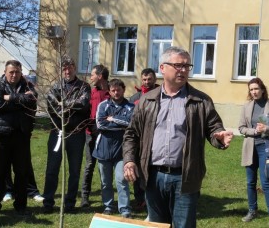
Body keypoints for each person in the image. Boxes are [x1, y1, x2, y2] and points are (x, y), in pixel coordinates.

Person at [122, 46, 234, 227]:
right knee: (157, 226)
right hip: (153, 176)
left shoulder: (201, 100)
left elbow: (214, 127)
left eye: (187, 66)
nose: (183, 70)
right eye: (178, 65)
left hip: (185, 177)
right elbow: (132, 133)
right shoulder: (147, 99)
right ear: (163, 68)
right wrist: (129, 160)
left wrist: (218, 137)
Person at [0, 60, 38, 218]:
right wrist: (20, 100)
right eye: (11, 72)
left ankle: (21, 206)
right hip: (2, 136)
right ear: (5, 72)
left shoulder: (28, 86)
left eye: (17, 72)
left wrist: (10, 97)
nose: (14, 75)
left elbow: (32, 101)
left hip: (21, 135)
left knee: (21, 173)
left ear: (21, 72)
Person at [42, 56, 91, 214]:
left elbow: (83, 104)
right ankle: (48, 202)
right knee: (52, 169)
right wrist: (66, 107)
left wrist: (63, 104)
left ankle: (70, 204)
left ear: (74, 68)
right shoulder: (56, 87)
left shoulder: (83, 87)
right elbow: (51, 107)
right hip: (58, 133)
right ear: (61, 70)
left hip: (76, 134)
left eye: (70, 67)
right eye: (64, 68)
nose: (67, 71)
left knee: (75, 171)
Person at [238, 77, 269, 227]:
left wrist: (267, 129)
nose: (254, 92)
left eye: (256, 88)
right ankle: (252, 210)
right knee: (250, 182)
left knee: (265, 183)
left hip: (266, 148)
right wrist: (254, 131)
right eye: (251, 89)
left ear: (262, 89)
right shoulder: (246, 107)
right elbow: (241, 128)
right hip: (250, 147)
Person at [93, 78, 134, 218]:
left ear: (123, 90)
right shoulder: (103, 105)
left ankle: (125, 209)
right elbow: (100, 124)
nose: (116, 93)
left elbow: (130, 124)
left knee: (121, 180)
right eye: (113, 90)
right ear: (109, 91)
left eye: (119, 90)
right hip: (103, 149)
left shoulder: (130, 106)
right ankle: (108, 206)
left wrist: (113, 119)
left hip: (122, 150)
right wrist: (119, 125)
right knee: (105, 182)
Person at [128, 68, 159, 211]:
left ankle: (153, 199)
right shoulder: (135, 99)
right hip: (138, 140)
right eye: (144, 80)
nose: (147, 82)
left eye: (149, 79)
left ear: (155, 79)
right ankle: (139, 199)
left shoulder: (161, 96)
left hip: (155, 140)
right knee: (138, 171)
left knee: (152, 171)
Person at [81, 64, 110, 208]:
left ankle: (107, 198)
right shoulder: (91, 92)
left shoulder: (112, 92)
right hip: (90, 134)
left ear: (100, 76)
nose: (90, 77)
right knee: (90, 164)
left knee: (104, 167)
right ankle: (85, 196)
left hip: (107, 136)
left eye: (92, 74)